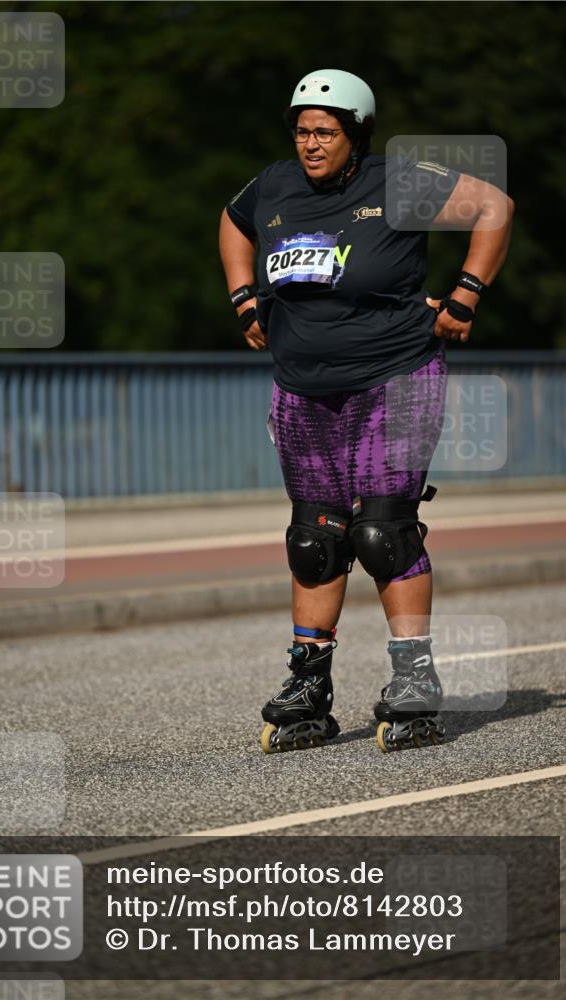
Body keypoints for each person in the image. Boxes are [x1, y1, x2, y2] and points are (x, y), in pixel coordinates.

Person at [218, 69, 514, 754]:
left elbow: (493, 206)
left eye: (324, 131)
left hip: (396, 377)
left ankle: (412, 681)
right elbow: (233, 226)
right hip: (300, 384)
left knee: (382, 532)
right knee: (314, 537)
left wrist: (466, 294)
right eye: (301, 131)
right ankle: (308, 687)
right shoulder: (272, 186)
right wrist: (242, 300)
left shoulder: (398, 182)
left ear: (354, 133)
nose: (310, 143)